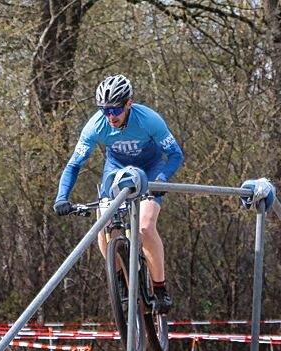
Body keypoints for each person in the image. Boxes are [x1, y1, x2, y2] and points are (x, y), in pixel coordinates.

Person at [52, 74, 184, 311]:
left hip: (150, 169)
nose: (110, 116)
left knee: (144, 227)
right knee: (103, 226)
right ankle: (120, 279)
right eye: (105, 110)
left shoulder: (149, 120)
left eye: (115, 109)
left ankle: (160, 288)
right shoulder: (95, 126)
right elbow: (74, 165)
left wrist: (163, 177)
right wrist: (62, 197)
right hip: (116, 171)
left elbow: (176, 155)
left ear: (128, 103)